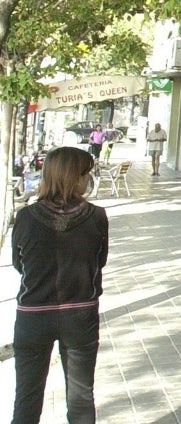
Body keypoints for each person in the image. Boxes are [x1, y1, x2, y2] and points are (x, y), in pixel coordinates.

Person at [10, 146, 109, 424]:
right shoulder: (97, 217)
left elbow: (20, 265)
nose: (88, 179)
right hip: (80, 316)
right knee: (81, 399)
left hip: (32, 317)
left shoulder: (26, 217)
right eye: (86, 173)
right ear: (75, 177)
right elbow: (99, 262)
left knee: (27, 400)